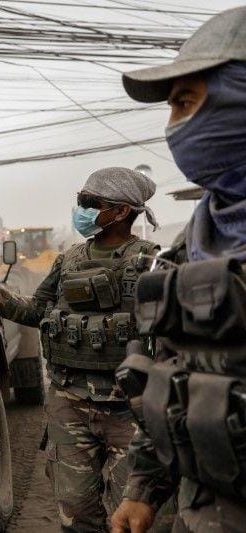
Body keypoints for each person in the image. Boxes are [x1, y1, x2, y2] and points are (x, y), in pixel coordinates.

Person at [0, 168, 164, 532]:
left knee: (132, 520)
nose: (80, 209)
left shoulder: (152, 262)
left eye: (90, 203)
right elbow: (36, 311)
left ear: (121, 211)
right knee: (76, 514)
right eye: (79, 202)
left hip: (130, 413)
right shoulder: (68, 260)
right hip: (70, 404)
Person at [111, 7, 246, 533]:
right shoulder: (193, 239)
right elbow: (172, 374)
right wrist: (145, 490)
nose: (174, 128)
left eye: (186, 103)